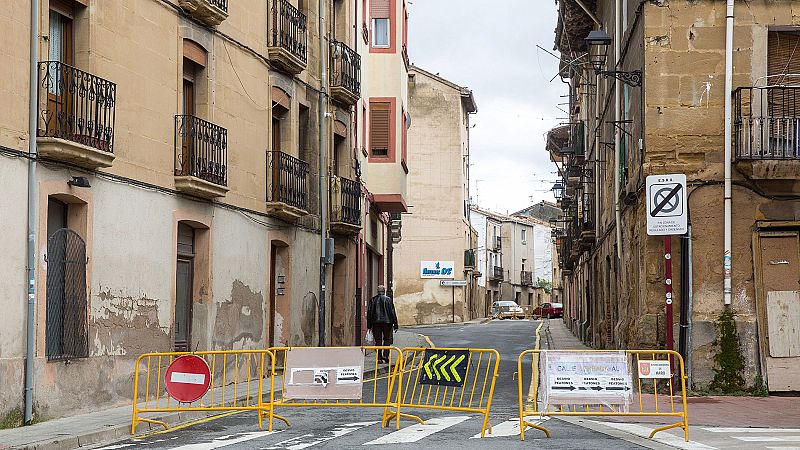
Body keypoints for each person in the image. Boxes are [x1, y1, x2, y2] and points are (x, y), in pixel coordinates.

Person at [367, 285, 398, 363]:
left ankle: (379, 358)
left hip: (376, 323)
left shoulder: (373, 300)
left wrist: (369, 325)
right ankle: (386, 356)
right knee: (387, 339)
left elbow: (370, 313)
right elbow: (392, 312)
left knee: (378, 341)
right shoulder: (388, 300)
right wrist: (395, 324)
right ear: (384, 291)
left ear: (378, 291)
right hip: (387, 323)